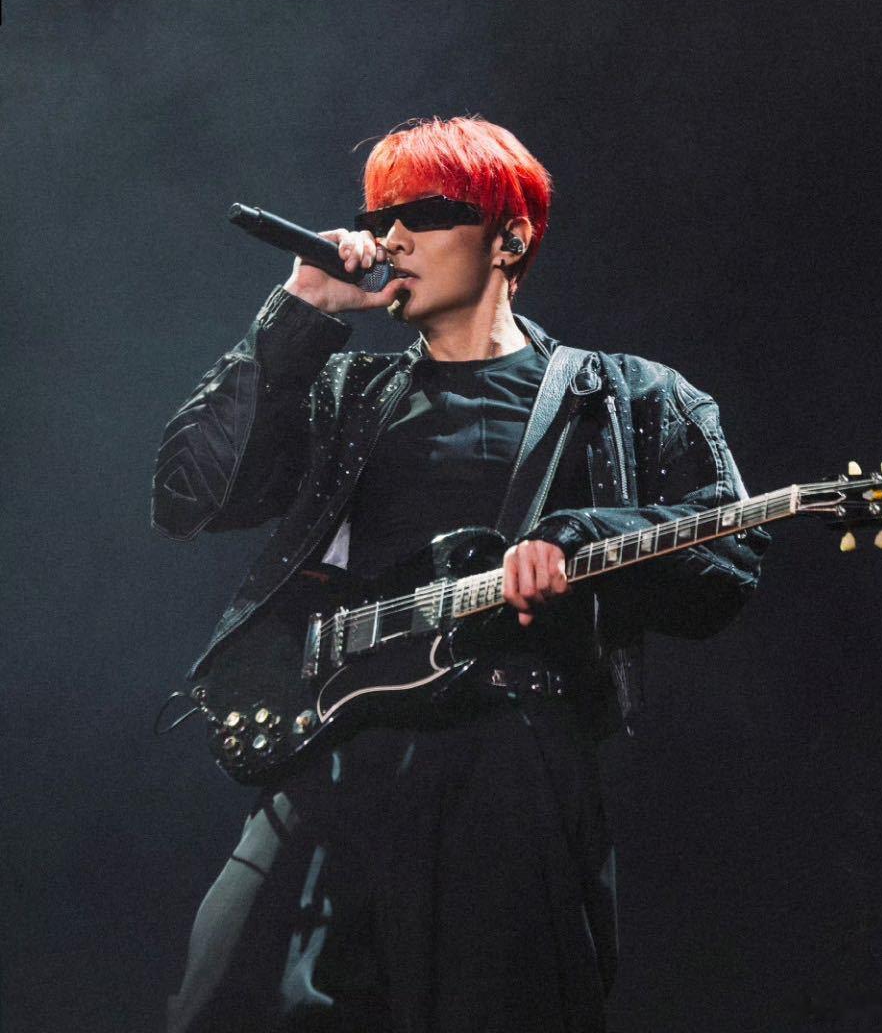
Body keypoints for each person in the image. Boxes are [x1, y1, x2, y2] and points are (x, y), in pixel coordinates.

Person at [153, 116, 768, 1033]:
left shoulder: (631, 396)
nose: (390, 237)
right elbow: (187, 494)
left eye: (425, 213)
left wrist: (579, 538)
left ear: (508, 238)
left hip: (511, 764)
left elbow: (727, 555)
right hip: (331, 756)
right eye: (379, 217)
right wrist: (302, 312)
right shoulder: (343, 391)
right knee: (225, 1004)